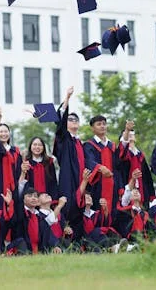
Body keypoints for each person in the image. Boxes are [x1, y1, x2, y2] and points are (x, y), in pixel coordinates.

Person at [53, 86, 87, 239]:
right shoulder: (64, 139)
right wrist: (66, 99)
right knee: (68, 207)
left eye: (75, 120)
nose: (73, 121)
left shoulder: (80, 142)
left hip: (81, 179)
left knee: (81, 208)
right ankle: (64, 240)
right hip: (68, 179)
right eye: (69, 119)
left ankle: (80, 243)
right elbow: (59, 125)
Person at [84, 115, 127, 213]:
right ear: (92, 128)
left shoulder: (111, 145)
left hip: (113, 186)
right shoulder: (89, 145)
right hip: (97, 186)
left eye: (104, 124)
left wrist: (120, 186)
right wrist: (100, 167)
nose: (102, 126)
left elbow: (118, 166)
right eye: (99, 124)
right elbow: (88, 161)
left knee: (114, 212)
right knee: (98, 212)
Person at [76, 169, 124, 253]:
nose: (88, 198)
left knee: (106, 231)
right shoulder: (79, 216)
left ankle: (124, 247)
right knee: (97, 231)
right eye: (85, 197)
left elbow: (105, 224)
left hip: (99, 240)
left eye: (89, 197)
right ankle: (115, 247)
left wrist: (105, 210)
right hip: (86, 242)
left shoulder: (96, 213)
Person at [6, 186, 62, 255]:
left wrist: (55, 245)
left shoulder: (40, 216)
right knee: (21, 242)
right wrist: (9, 204)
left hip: (38, 250)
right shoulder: (19, 213)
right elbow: (12, 221)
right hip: (21, 247)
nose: (33, 198)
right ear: (23, 200)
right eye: (29, 196)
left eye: (35, 196)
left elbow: (48, 234)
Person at [0, 106, 21, 209]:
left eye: (6, 131)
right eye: (0, 132)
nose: (3, 134)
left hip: (14, 187)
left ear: (9, 134)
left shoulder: (15, 151)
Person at [114, 173, 156, 249]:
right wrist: (133, 180)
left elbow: (153, 229)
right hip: (129, 238)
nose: (135, 192)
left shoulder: (145, 214)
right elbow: (125, 199)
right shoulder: (125, 211)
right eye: (133, 191)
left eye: (137, 191)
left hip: (145, 240)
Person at [118, 125, 155, 210]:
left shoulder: (140, 155)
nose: (130, 136)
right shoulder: (122, 154)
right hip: (127, 187)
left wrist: (151, 193)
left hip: (142, 189)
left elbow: (147, 176)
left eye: (132, 134)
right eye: (128, 134)